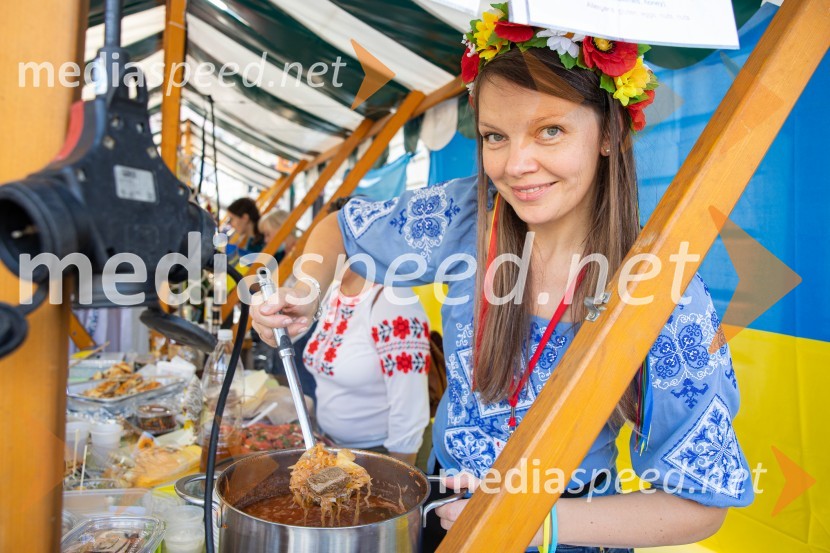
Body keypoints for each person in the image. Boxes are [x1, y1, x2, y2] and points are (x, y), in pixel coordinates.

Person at [251, 6, 753, 551]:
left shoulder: (662, 289)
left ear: (610, 132)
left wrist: (531, 523)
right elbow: (340, 230)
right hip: (445, 511)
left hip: (565, 530)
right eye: (495, 136)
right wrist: (303, 289)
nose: (516, 164)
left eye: (550, 131)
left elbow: (701, 503)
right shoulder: (471, 213)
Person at [301, 197, 431, 467]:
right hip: (331, 449)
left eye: (330, 238)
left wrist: (398, 476)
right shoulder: (334, 293)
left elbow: (409, 405)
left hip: (376, 456)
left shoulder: (393, 301)